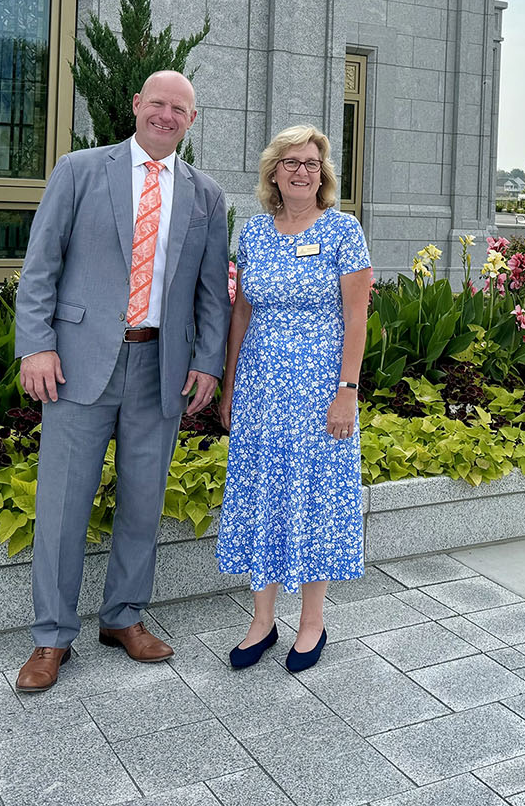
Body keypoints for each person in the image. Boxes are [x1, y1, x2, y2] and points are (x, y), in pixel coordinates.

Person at [12, 71, 230, 692]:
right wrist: (37, 347)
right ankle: (52, 637)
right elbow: (40, 268)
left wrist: (208, 362)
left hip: (160, 366)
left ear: (192, 119)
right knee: (62, 506)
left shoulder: (205, 195)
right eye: (157, 103)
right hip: (78, 363)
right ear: (137, 106)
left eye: (179, 108)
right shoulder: (79, 170)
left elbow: (213, 294)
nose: (166, 114)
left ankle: (123, 617)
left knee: (142, 500)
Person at [216, 125, 372, 672]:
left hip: (319, 390)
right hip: (261, 388)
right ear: (273, 173)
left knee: (314, 499)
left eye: (312, 162)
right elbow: (242, 312)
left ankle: (312, 622)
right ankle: (262, 620)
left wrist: (347, 392)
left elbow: (357, 319)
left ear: (323, 174)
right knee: (264, 493)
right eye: (291, 162)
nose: (302, 171)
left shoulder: (342, 231)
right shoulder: (256, 233)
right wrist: (231, 384)